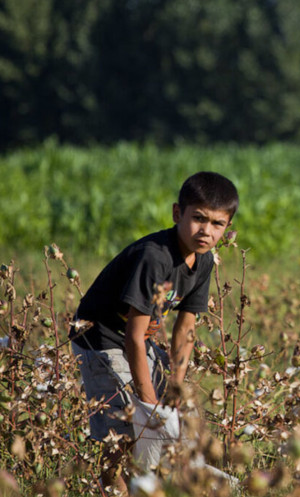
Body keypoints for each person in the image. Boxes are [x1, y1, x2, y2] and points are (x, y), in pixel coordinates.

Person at [69, 171, 238, 492]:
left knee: (182, 417)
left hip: (137, 340)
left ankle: (153, 483)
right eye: (198, 219)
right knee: (122, 429)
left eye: (218, 224)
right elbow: (133, 335)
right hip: (99, 339)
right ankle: (113, 488)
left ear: (228, 228)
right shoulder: (154, 257)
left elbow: (185, 329)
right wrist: (148, 402)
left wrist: (175, 384)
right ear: (178, 214)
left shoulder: (203, 262)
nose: (206, 231)